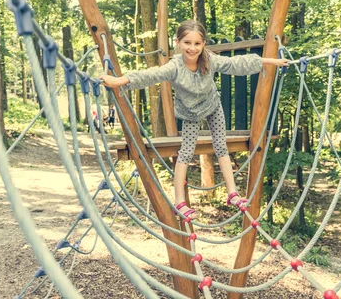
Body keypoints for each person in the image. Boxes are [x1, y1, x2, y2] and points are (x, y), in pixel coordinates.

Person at [100, 20, 288, 222]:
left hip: (212, 106)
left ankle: (232, 193)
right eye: (187, 42)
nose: (192, 48)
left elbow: (237, 63)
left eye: (197, 43)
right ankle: (179, 201)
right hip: (190, 113)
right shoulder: (174, 67)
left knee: (221, 146)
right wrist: (118, 81)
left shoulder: (210, 59)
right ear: (179, 42)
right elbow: (150, 75)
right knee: (186, 152)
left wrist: (271, 62)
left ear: (204, 44)